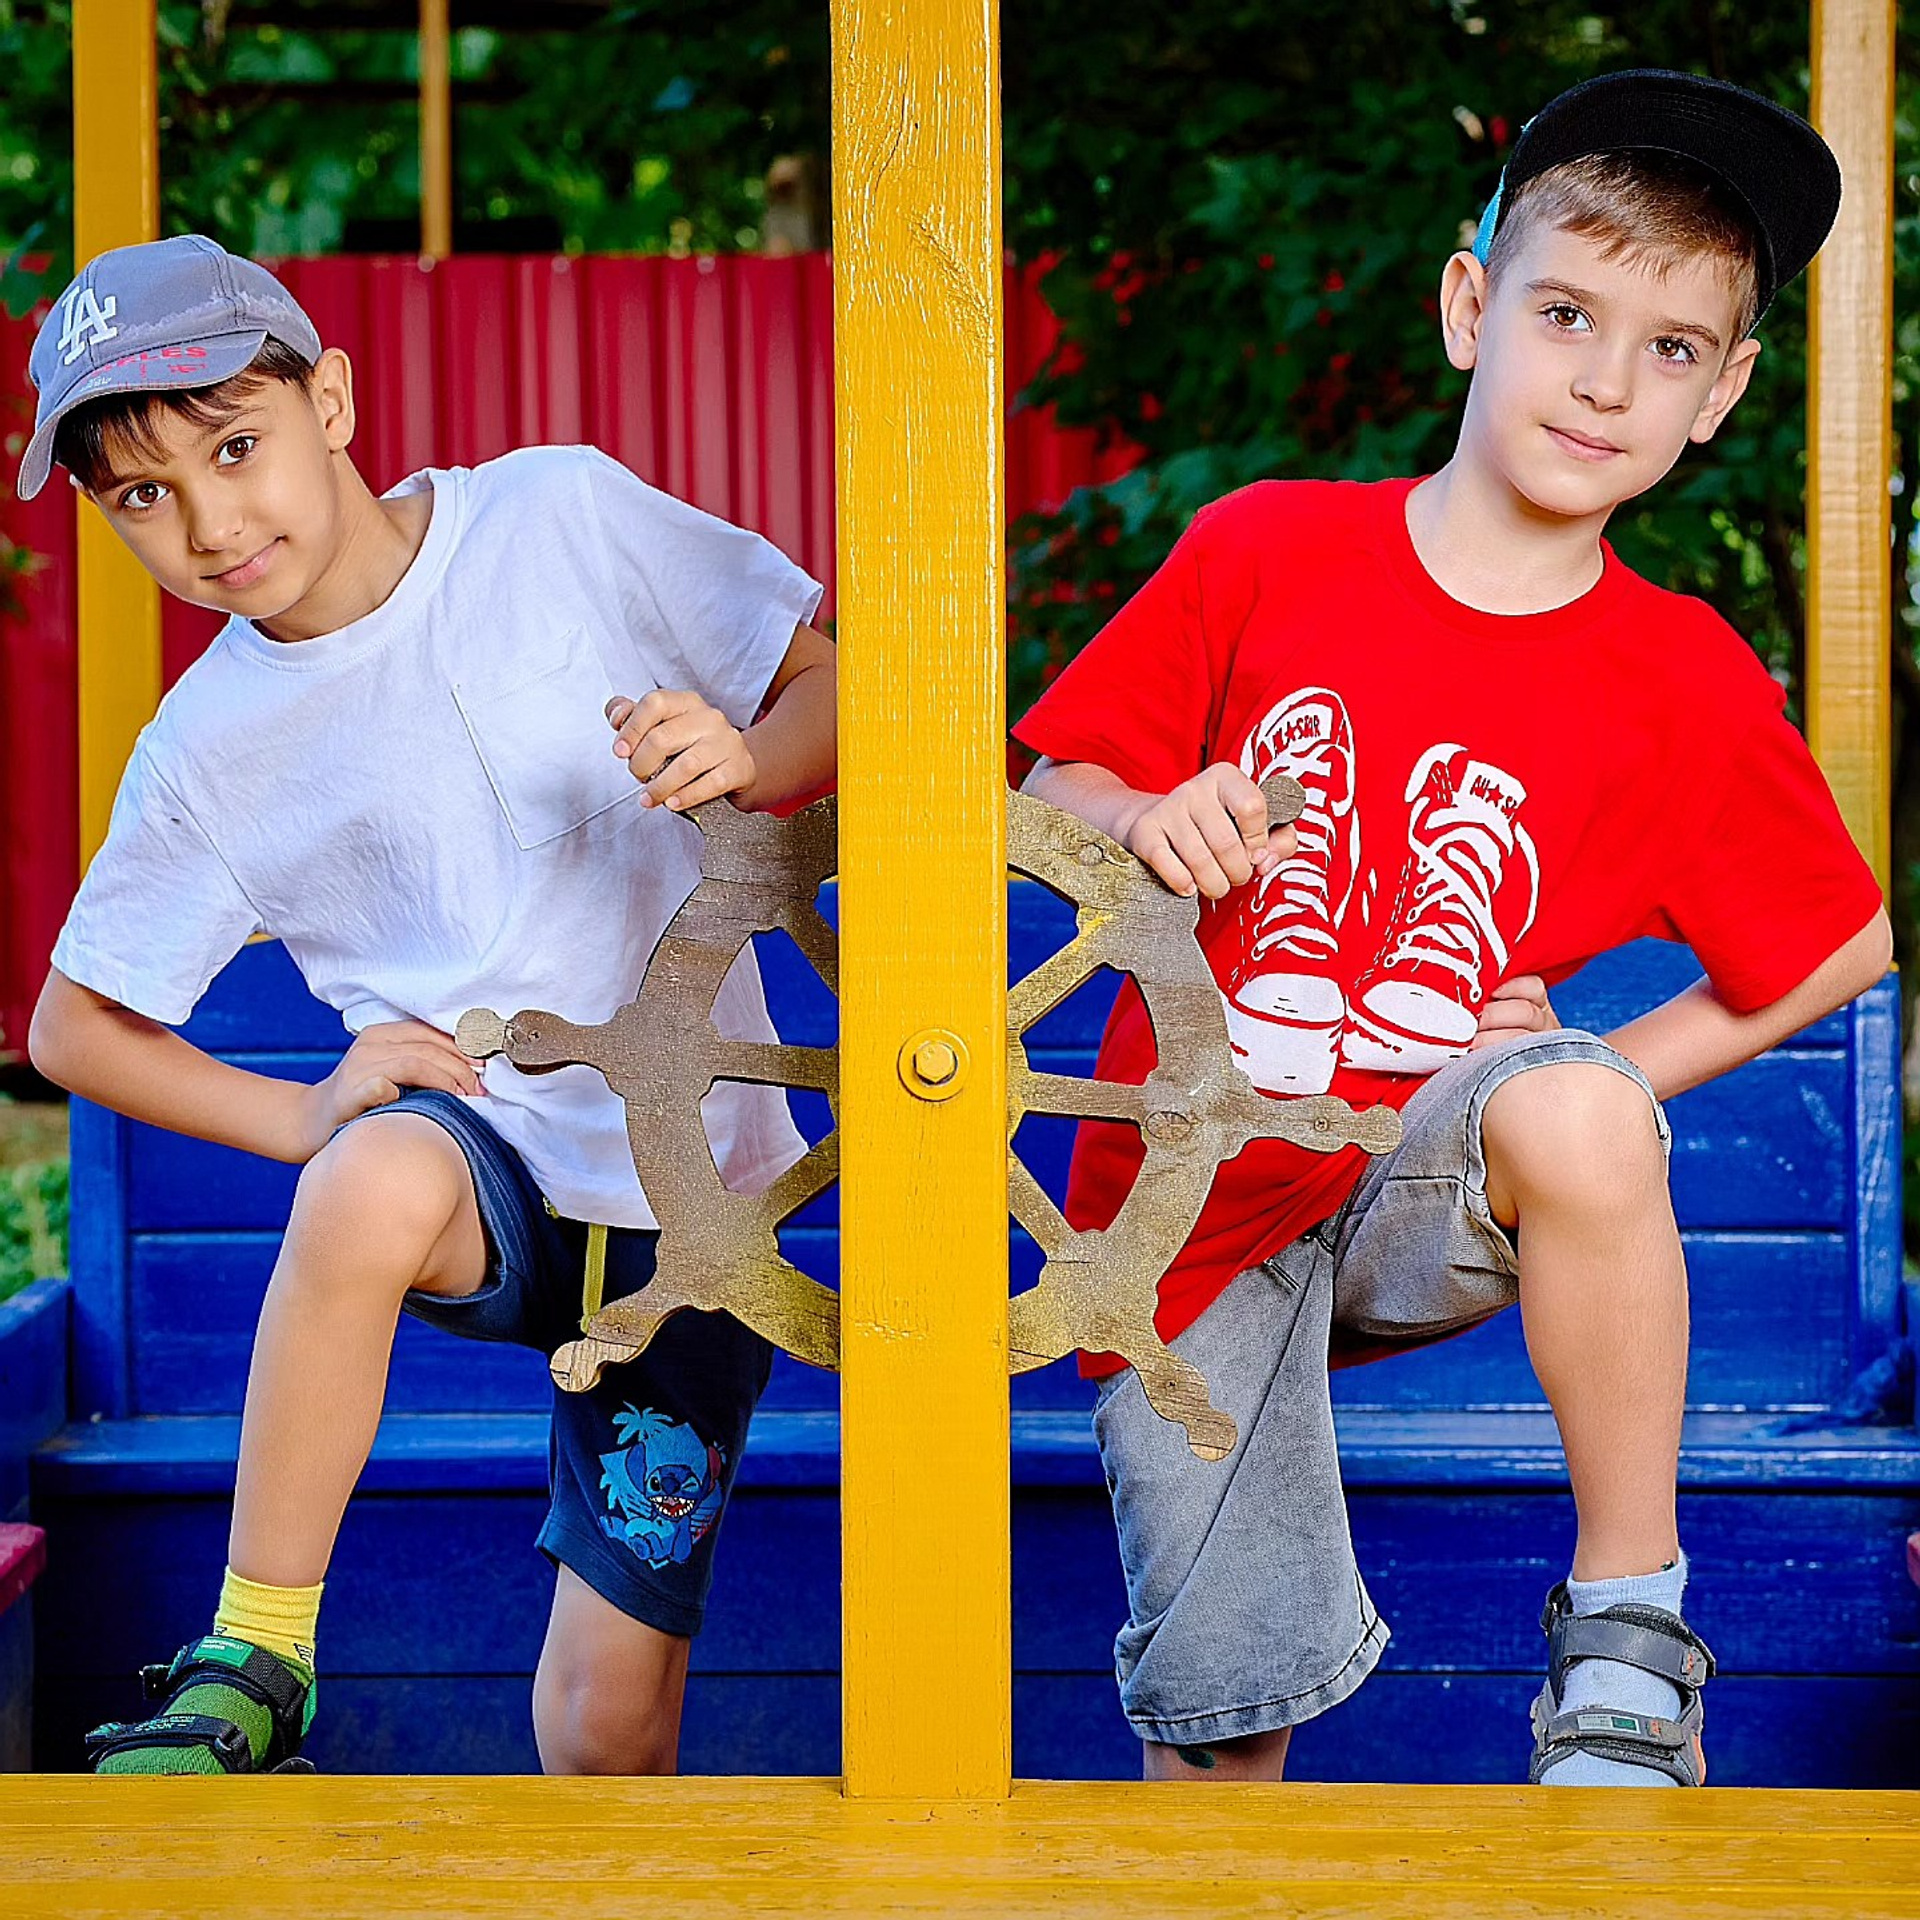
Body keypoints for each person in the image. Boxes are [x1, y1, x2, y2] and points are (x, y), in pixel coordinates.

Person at [1013, 69, 1890, 1788]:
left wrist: (1597, 1070)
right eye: (1568, 315)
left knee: (1572, 1105)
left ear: (1721, 395)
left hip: (1414, 1165)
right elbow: (1060, 783)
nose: (1607, 379)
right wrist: (1144, 819)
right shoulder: (1265, 551)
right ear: (1470, 307)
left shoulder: (1684, 676)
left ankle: (1628, 1632)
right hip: (1188, 1198)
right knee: (1225, 1728)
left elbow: (1838, 944)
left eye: (1670, 347)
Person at [19, 234, 836, 1775]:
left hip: (698, 1206)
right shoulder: (205, 748)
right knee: (369, 1176)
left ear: (329, 400)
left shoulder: (557, 520)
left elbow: (836, 689)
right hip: (483, 1169)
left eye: (234, 448)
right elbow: (75, 1027)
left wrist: (750, 760)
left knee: (607, 1727)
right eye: (140, 496)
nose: (208, 523)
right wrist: (300, 1113)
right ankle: (257, 1653)